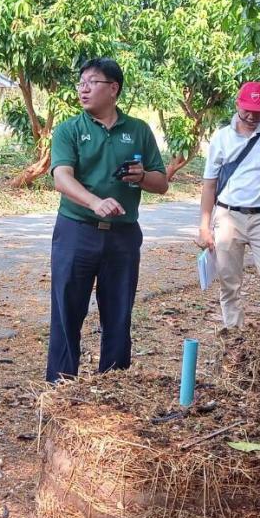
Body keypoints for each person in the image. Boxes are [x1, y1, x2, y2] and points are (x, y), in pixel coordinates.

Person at [46, 58, 168, 383]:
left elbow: (161, 182)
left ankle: (112, 388)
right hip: (76, 231)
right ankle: (61, 388)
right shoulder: (70, 129)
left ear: (113, 89)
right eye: (80, 82)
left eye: (92, 81)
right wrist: (94, 202)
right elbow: (61, 178)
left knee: (118, 316)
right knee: (66, 313)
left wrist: (142, 177)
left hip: (123, 237)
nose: (83, 88)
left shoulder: (138, 130)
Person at [196, 81, 260, 329]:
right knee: (229, 283)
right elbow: (209, 184)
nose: (251, 116)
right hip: (228, 217)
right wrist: (204, 226)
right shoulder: (222, 138)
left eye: (258, 111)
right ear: (237, 104)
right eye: (247, 109)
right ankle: (234, 336)